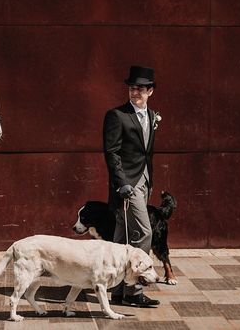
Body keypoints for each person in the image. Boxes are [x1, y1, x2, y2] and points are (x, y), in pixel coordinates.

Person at [102, 65, 160, 308]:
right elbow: (112, 152)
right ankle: (134, 290)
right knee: (144, 232)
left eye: (140, 88)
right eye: (132, 88)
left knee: (122, 235)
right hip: (128, 184)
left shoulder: (152, 115)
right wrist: (121, 183)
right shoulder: (117, 115)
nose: (135, 92)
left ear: (150, 91)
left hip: (144, 180)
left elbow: (144, 152)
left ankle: (115, 289)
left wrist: (145, 180)